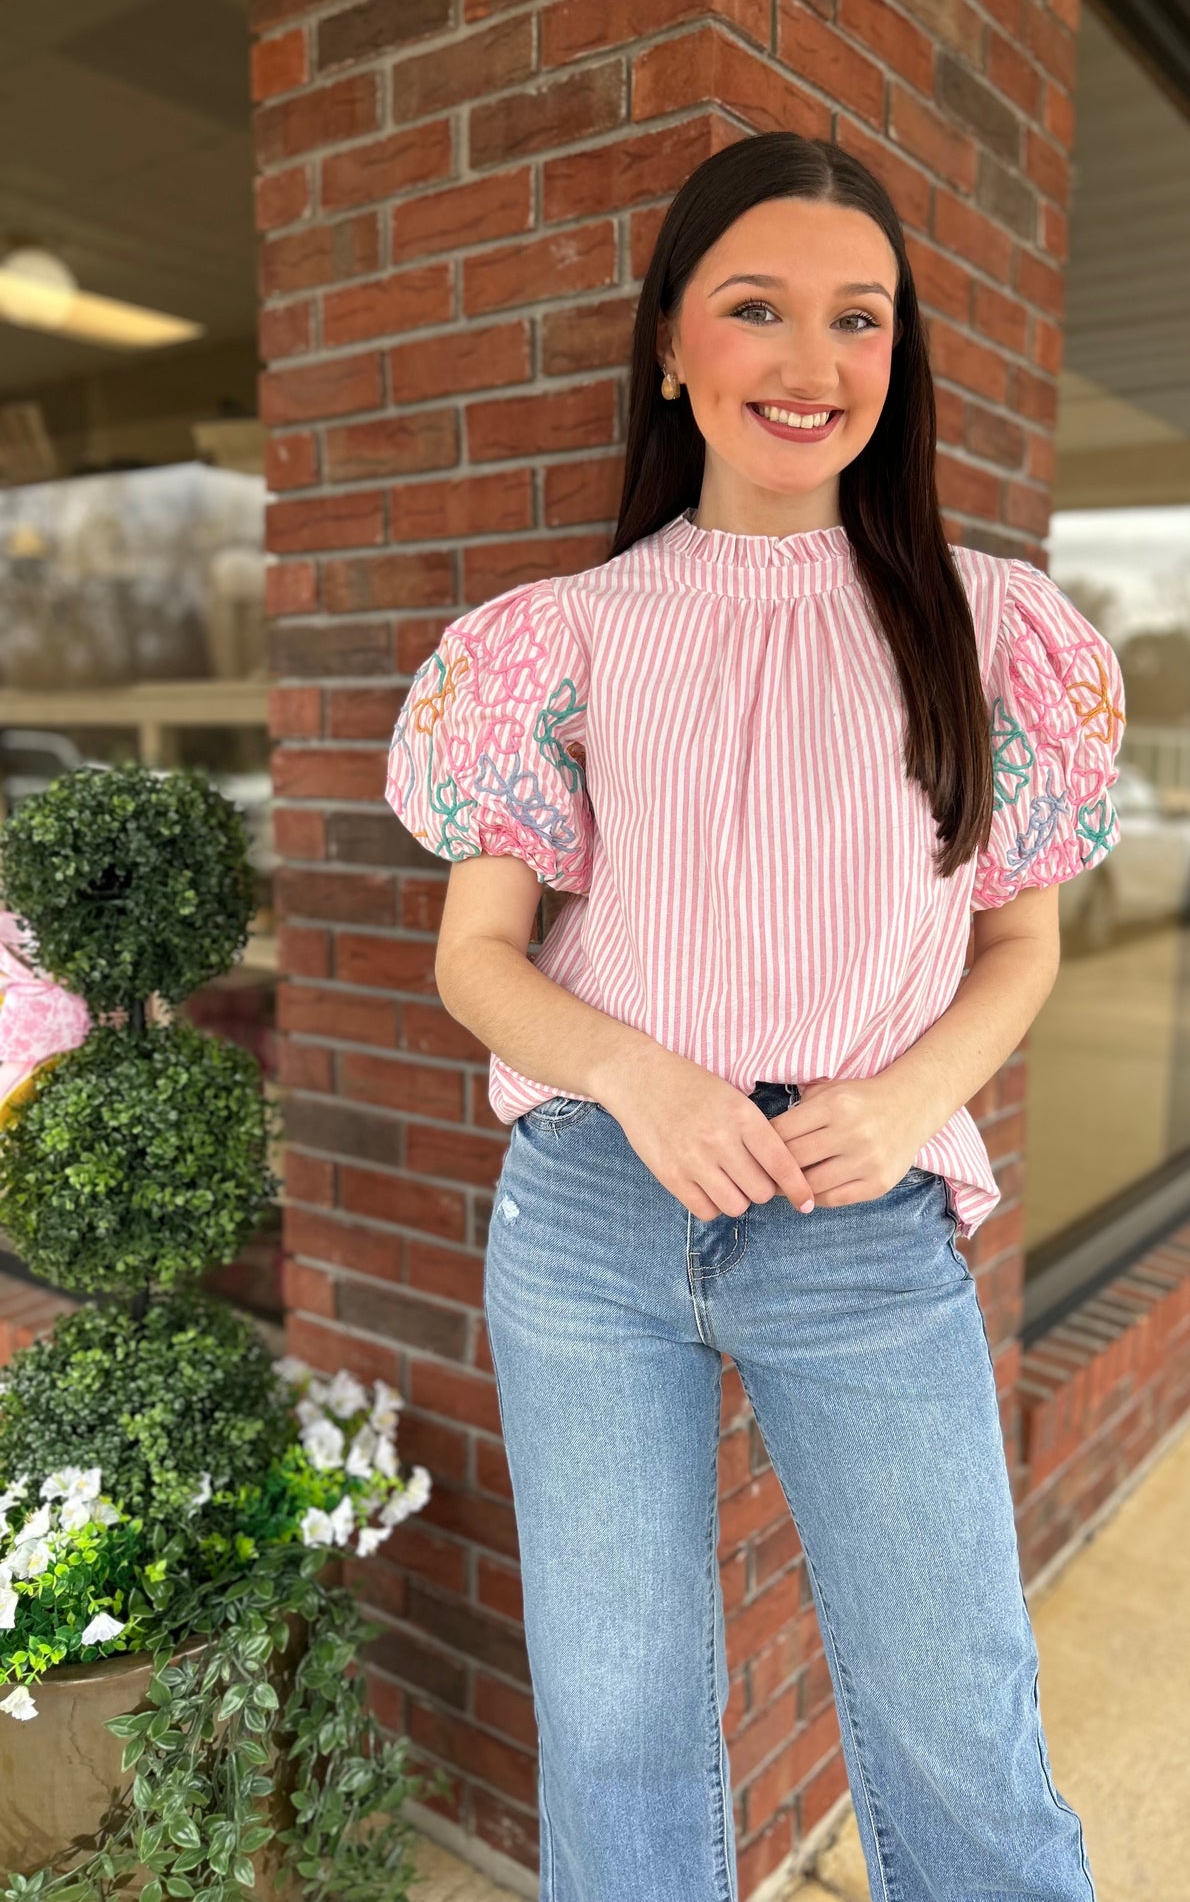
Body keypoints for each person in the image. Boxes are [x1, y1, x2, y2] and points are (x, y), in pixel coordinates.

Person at [385, 131, 1122, 1902]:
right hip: (591, 1211)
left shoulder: (988, 627)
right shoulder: (554, 638)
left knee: (961, 1731)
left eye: (856, 319)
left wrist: (900, 1099)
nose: (812, 365)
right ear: (668, 346)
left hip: (859, 1221)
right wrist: (631, 1071)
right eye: (757, 310)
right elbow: (477, 955)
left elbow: (1015, 951)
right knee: (621, 1730)